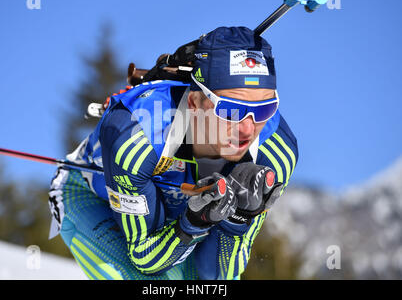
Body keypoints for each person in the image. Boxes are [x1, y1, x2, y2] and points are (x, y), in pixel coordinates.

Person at [48, 26, 299, 280]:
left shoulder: (276, 150)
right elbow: (145, 260)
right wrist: (193, 225)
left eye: (265, 109)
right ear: (194, 102)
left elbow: (217, 277)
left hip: (174, 217)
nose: (248, 128)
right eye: (231, 110)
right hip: (93, 198)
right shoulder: (138, 135)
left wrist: (237, 219)